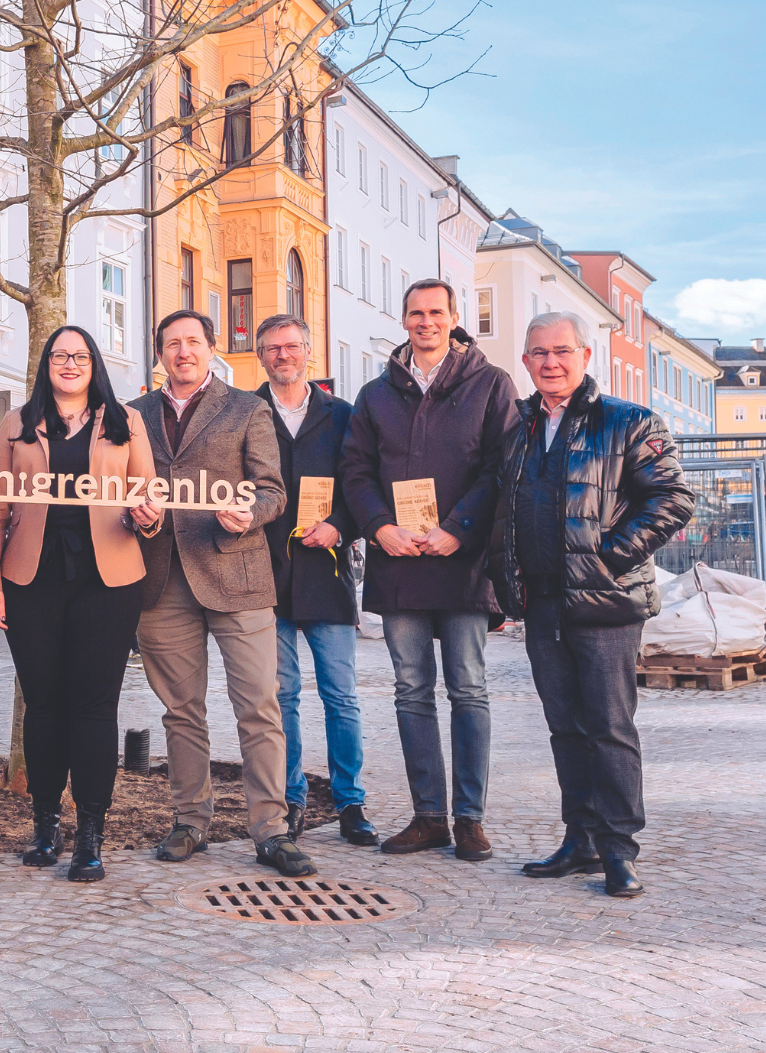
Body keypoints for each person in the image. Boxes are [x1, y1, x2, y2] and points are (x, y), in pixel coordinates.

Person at [491, 313, 693, 899]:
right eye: (538, 353)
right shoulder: (521, 430)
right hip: (543, 603)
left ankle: (619, 850)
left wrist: (608, 557)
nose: (550, 362)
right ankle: (579, 840)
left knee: (609, 727)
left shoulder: (628, 422)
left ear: (584, 356)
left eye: (561, 351)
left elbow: (673, 498)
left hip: (605, 603)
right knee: (564, 729)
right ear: (525, 361)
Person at [338, 279, 518, 862]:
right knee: (411, 691)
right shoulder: (376, 393)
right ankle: (427, 816)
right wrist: (379, 527)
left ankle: (469, 818)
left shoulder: (490, 385)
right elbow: (355, 471)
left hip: (463, 565)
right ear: (404, 320)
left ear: (454, 317)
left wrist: (457, 530)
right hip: (399, 565)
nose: (425, 322)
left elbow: (501, 469)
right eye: (416, 313)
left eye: (436, 312)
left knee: (468, 688)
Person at [0, 326, 163, 884]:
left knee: (94, 706)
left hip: (107, 579)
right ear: (46, 364)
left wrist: (147, 518)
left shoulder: (126, 422)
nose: (70, 364)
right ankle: (44, 824)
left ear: (94, 364)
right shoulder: (17, 423)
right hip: (32, 577)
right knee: (44, 704)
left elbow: (147, 496)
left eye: (80, 356)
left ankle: (91, 834)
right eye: (60, 355)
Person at [129, 311, 311, 877]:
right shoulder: (132, 416)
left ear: (211, 348)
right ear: (159, 353)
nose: (183, 352)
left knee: (259, 706)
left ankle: (272, 829)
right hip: (160, 578)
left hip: (236, 572)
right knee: (180, 710)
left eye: (193, 342)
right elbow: (118, 486)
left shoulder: (246, 408)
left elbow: (273, 491)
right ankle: (190, 820)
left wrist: (247, 515)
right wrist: (134, 514)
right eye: (172, 344)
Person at [253, 313, 373, 848]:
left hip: (327, 571)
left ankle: (350, 801)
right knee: (281, 697)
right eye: (273, 348)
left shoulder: (342, 415)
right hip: (266, 573)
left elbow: (361, 483)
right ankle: (293, 797)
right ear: (261, 356)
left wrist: (341, 526)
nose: (283, 355)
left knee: (341, 694)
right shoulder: (246, 412)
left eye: (291, 346)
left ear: (309, 352)